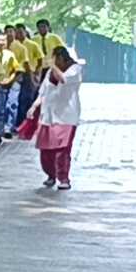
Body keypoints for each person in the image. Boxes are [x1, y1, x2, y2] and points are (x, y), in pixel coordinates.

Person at [30, 46, 85, 190]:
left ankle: (63, 178)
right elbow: (43, 91)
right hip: (48, 116)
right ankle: (50, 175)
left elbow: (64, 79)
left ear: (62, 58)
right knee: (46, 150)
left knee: (62, 149)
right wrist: (34, 107)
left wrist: (53, 66)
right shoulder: (50, 72)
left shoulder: (75, 70)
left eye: (55, 59)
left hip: (66, 116)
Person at [0, 33, 21, 146]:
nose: (0, 43)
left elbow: (17, 70)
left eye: (3, 41)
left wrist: (9, 81)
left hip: (2, 86)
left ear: (6, 42)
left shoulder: (10, 55)